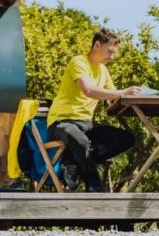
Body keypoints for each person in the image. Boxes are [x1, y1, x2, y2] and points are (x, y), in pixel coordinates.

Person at [46, 28, 140, 192]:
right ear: (97, 45)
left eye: (114, 52)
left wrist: (138, 97)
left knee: (126, 138)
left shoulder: (103, 70)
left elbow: (112, 98)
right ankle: (95, 187)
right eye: (110, 51)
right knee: (81, 141)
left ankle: (73, 163)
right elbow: (88, 90)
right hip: (62, 122)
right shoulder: (79, 62)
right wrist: (123, 92)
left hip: (86, 124)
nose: (112, 56)